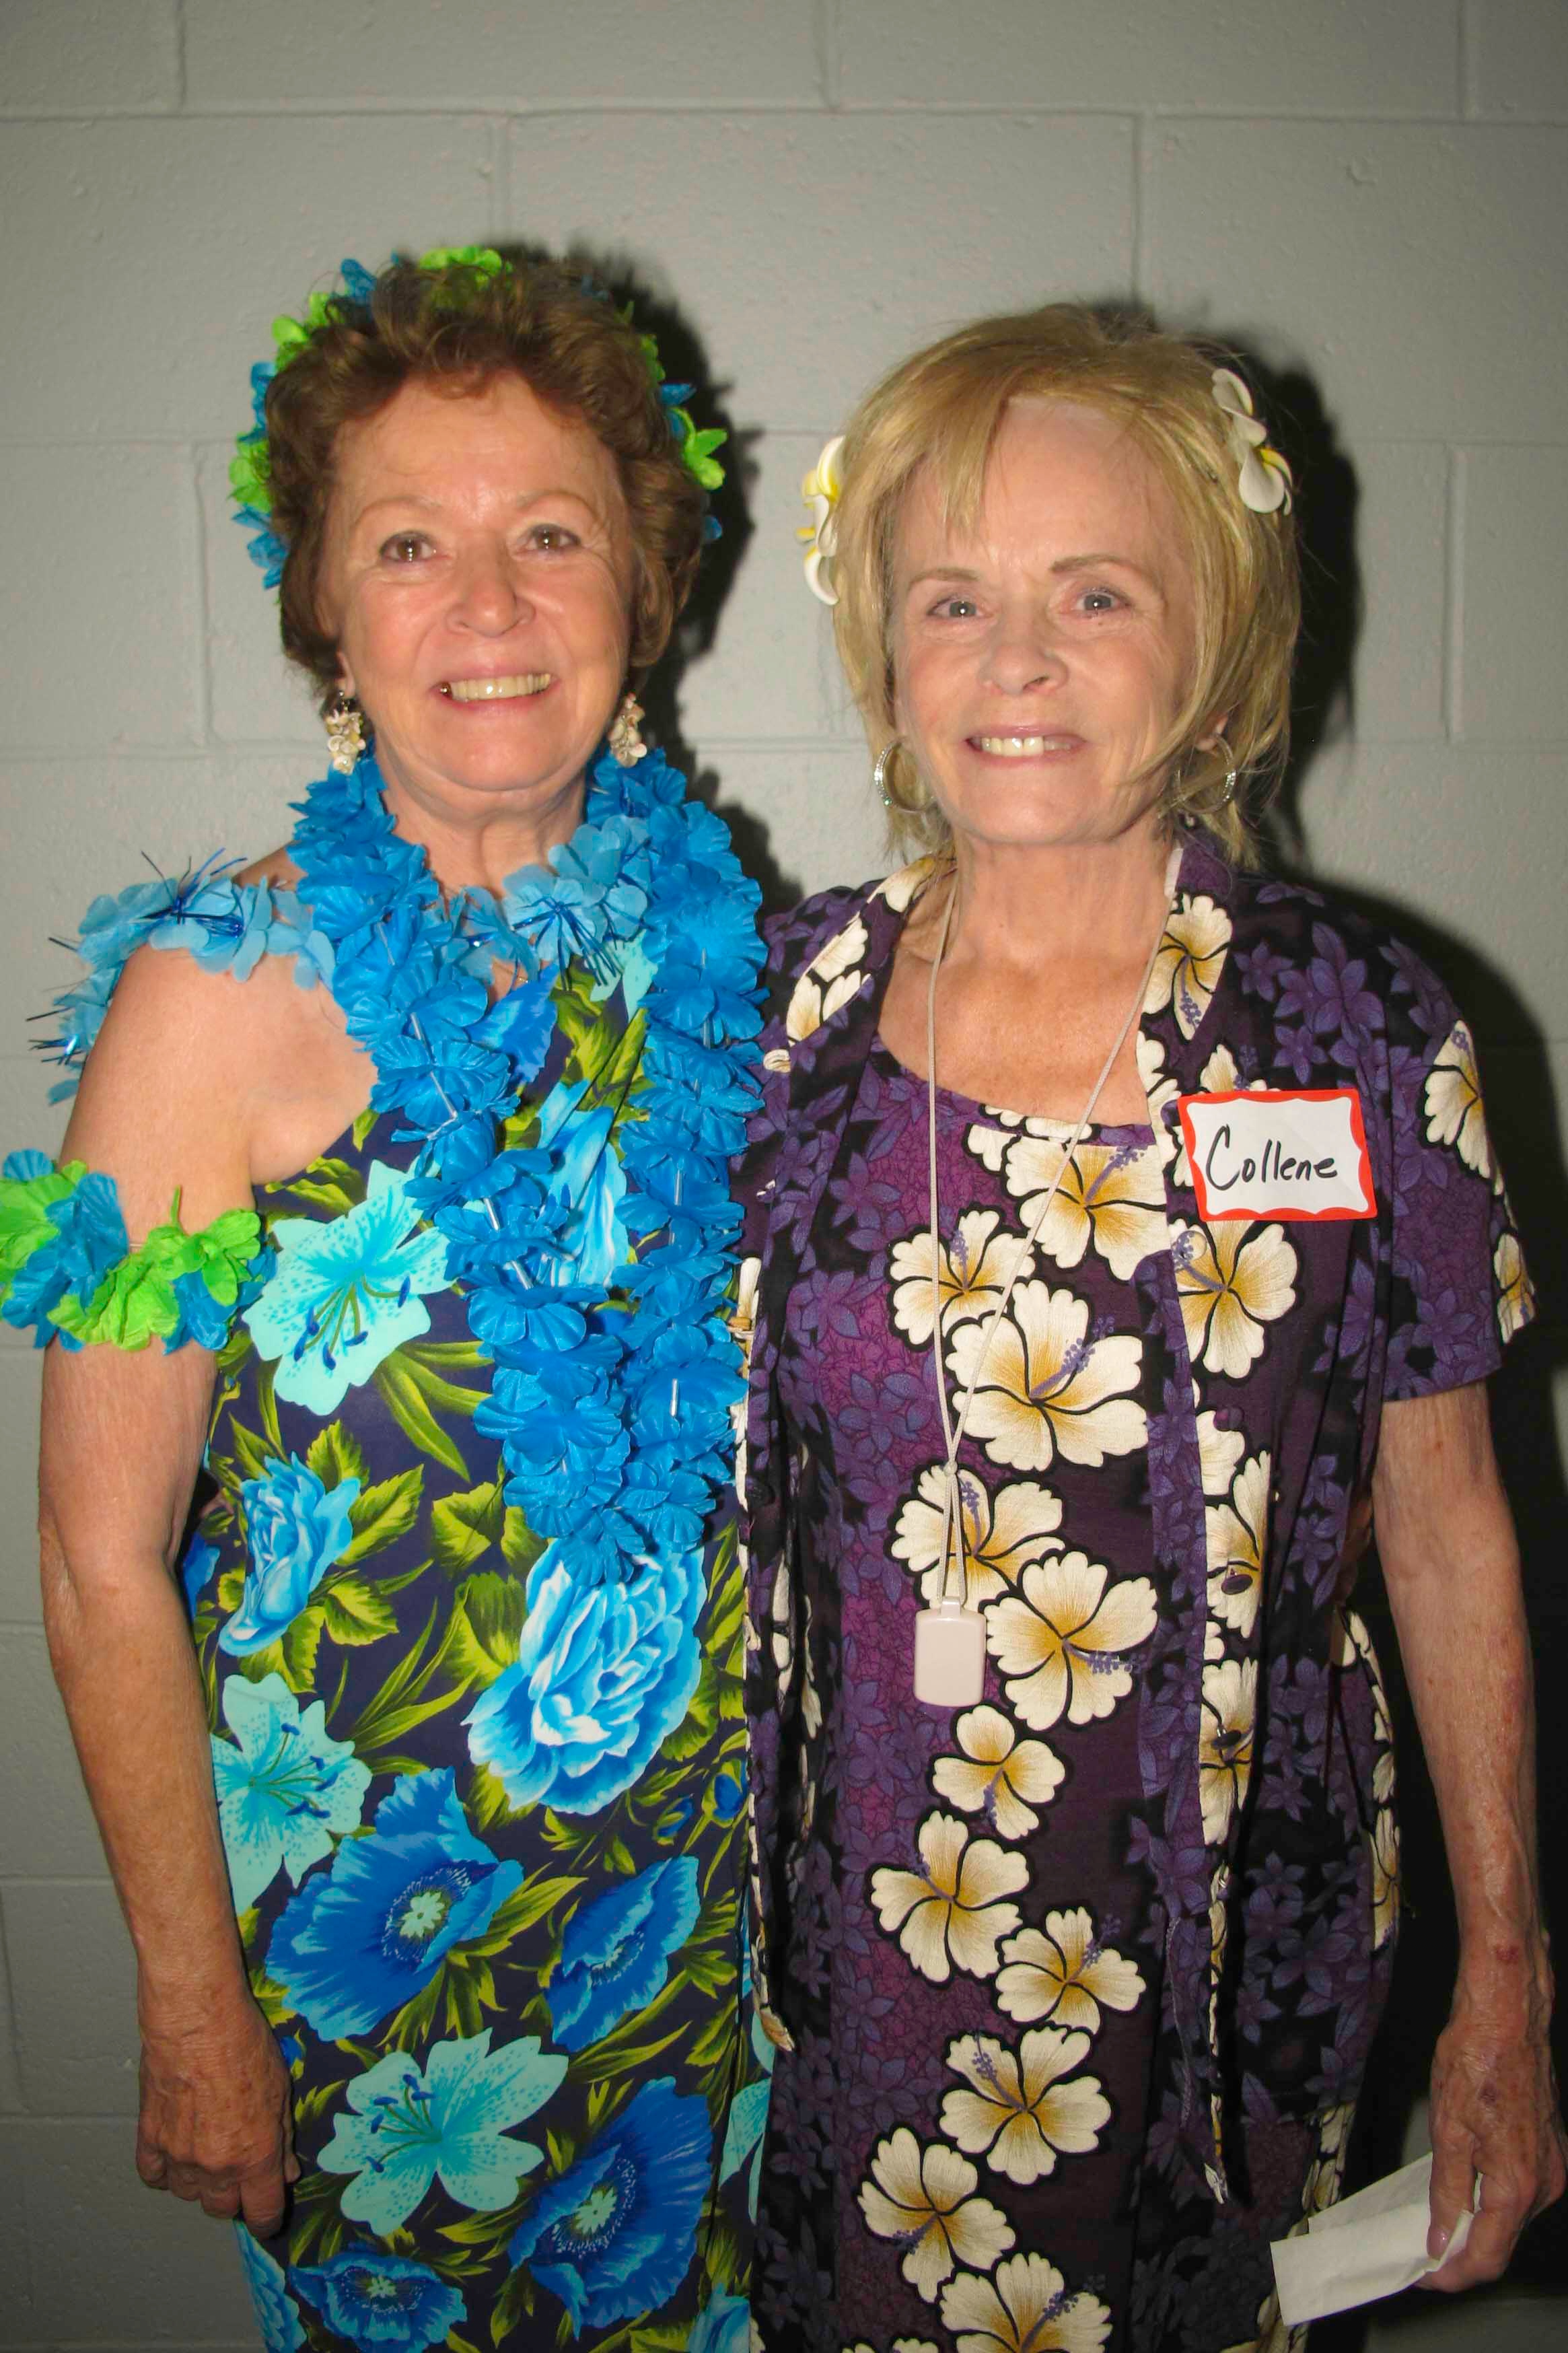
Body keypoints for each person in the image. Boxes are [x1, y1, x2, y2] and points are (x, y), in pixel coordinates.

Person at [735, 305, 1565, 2353]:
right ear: (887, 653)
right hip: (863, 1957)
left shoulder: (1354, 1029)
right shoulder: (772, 1020)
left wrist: (1509, 1979)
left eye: (1093, 593)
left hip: (1232, 1960)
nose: (1015, 662)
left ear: (1211, 636)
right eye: (954, 599)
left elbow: (1449, 1524)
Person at [6, 246, 767, 2352]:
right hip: (376, 1978)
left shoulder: (736, 961)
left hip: (720, 1943)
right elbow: (94, 1559)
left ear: (644, 588)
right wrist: (191, 2007)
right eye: (410, 545)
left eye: (553, 537)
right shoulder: (210, 992)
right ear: (324, 611)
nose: (490, 605)